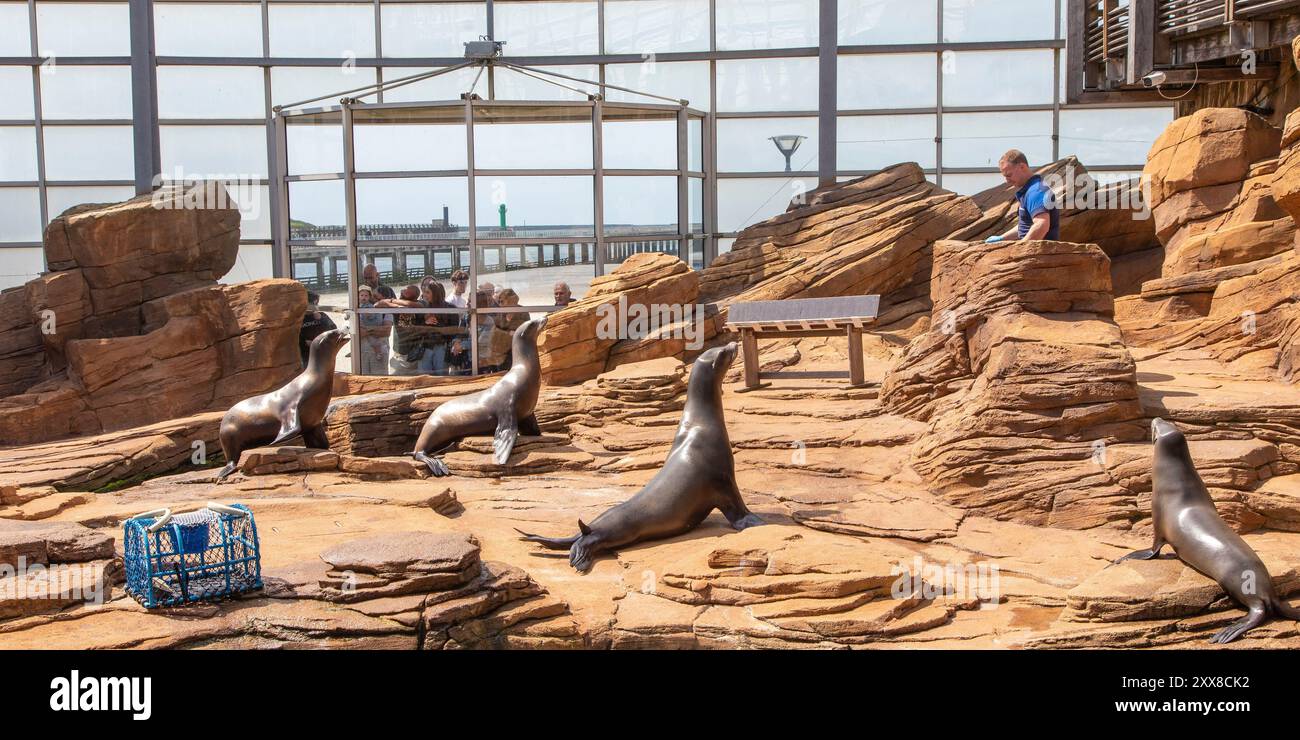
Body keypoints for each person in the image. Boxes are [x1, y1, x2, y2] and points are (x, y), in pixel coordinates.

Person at [985, 149, 1060, 244]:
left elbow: (1041, 225)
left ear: (1022, 167)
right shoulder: (1029, 190)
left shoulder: (1036, 191)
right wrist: (1002, 238)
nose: (1007, 181)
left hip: (1040, 254)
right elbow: (1026, 226)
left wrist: (1022, 247)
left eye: (1009, 175)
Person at [376, 284, 425, 375]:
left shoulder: (420, 304)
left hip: (416, 353)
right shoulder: (395, 304)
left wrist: (392, 301)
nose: (402, 291)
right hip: (400, 354)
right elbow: (377, 305)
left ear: (413, 295)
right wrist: (394, 304)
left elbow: (418, 305)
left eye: (405, 291)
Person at [489, 288, 530, 371]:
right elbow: (494, 331)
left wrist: (513, 333)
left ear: (511, 301)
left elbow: (527, 330)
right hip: (502, 352)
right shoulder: (501, 314)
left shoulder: (522, 312)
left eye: (502, 301)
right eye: (499, 302)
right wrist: (508, 334)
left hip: (519, 350)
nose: (500, 305)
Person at [355, 285, 392, 376]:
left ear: (383, 298)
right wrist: (376, 329)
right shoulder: (359, 309)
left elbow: (386, 331)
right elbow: (357, 333)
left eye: (376, 297)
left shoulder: (387, 311)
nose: (373, 298)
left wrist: (367, 330)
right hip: (362, 353)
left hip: (380, 353)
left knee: (380, 380)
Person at [298, 291, 337, 368]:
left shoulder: (321, 315)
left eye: (317, 304)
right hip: (305, 353)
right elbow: (294, 335)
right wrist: (304, 342)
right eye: (313, 304)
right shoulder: (299, 319)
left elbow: (333, 329)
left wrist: (321, 319)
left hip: (321, 351)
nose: (316, 306)